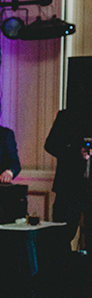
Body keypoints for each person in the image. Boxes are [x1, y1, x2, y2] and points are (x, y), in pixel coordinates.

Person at [45, 105, 92, 248]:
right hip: (68, 187)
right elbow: (50, 145)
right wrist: (75, 152)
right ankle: (62, 269)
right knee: (62, 235)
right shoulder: (66, 117)